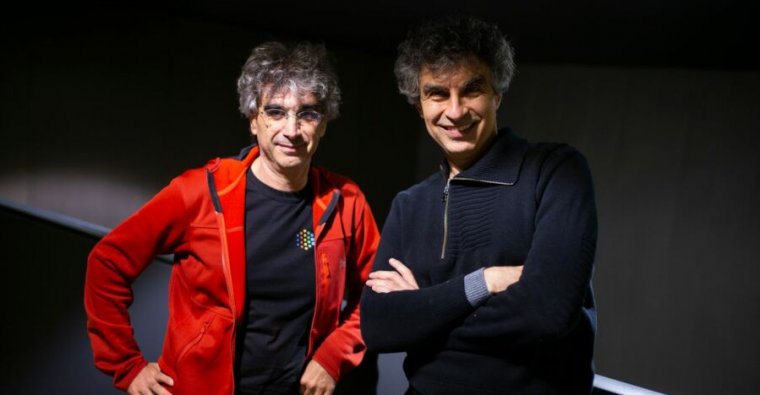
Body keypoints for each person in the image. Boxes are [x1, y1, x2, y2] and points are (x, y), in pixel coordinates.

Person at [85, 41, 380, 395]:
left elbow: (378, 295)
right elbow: (107, 263)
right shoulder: (198, 192)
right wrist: (127, 366)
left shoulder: (345, 202)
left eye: (307, 113)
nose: (292, 129)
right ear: (253, 120)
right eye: (275, 112)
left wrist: (332, 358)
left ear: (323, 124)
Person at [360, 16, 597, 395]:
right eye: (437, 94)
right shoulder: (409, 204)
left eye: (472, 90)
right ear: (419, 105)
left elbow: (546, 313)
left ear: (497, 93)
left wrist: (421, 309)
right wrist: (484, 282)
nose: (455, 111)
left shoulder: (556, 171)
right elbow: (377, 327)